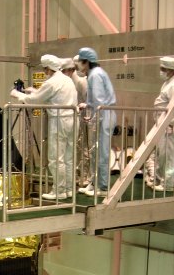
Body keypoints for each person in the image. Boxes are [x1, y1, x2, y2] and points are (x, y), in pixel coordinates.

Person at [10, 54, 78, 200]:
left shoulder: (51, 82)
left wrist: (18, 94)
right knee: (68, 157)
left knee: (56, 158)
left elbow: (34, 100)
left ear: (47, 68)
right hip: (72, 119)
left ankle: (59, 191)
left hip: (59, 121)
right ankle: (68, 189)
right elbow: (51, 95)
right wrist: (34, 91)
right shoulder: (67, 80)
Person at [76, 47, 116, 198]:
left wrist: (92, 113)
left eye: (80, 61)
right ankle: (96, 183)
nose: (79, 65)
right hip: (101, 114)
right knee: (96, 152)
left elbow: (99, 100)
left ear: (86, 62)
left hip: (104, 115)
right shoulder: (95, 74)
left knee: (102, 152)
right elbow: (96, 100)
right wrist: (88, 105)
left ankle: (103, 186)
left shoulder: (95, 75)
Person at [144, 56, 174, 192]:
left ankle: (169, 184)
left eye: (163, 69)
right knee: (162, 154)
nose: (161, 71)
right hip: (163, 122)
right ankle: (162, 180)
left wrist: (170, 125)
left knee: (168, 155)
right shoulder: (168, 82)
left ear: (171, 69)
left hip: (169, 124)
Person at [60, 57, 90, 187]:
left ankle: (86, 177)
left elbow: (90, 100)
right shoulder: (69, 82)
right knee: (77, 149)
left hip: (87, 117)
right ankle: (79, 176)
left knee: (86, 148)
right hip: (76, 117)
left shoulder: (82, 82)